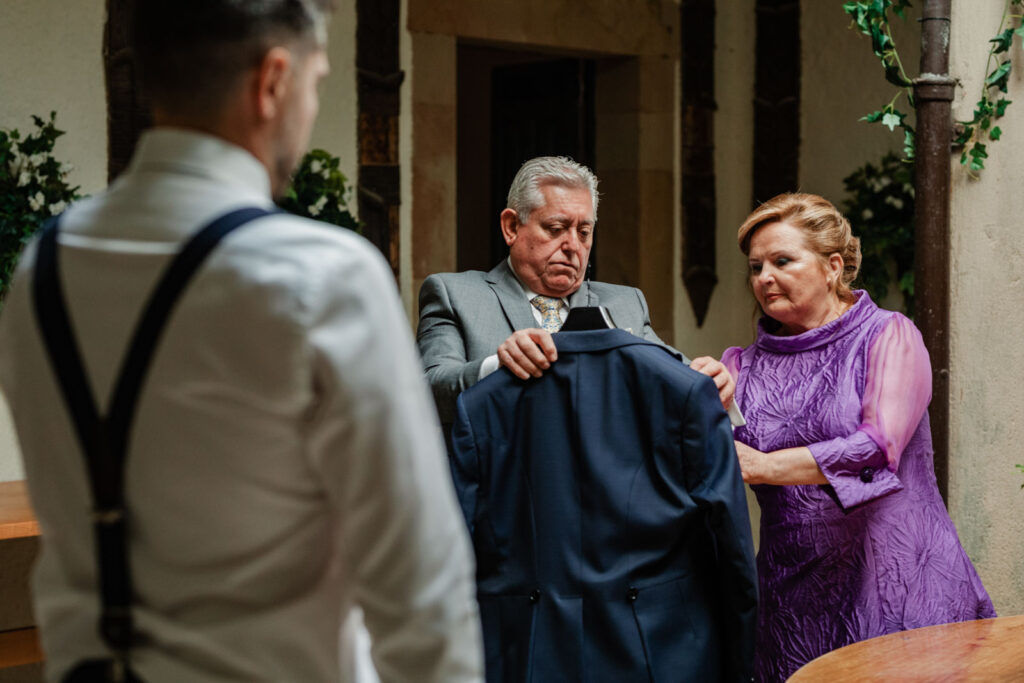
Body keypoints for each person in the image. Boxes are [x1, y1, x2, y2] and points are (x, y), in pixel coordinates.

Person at [0, 2, 482, 681]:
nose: (310, 109)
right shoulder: (323, 279)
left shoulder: (41, 270)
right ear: (273, 82)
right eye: (316, 84)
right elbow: (421, 595)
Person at [721, 192, 995, 682]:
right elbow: (692, 464)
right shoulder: (739, 366)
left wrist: (763, 466)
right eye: (756, 266)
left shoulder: (889, 335)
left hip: (898, 588)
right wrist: (691, 393)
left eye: (782, 260)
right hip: (792, 604)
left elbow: (876, 450)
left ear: (832, 266)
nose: (764, 277)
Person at [451, 326, 758, 682]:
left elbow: (455, 547)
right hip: (662, 648)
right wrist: (738, 659)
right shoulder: (685, 390)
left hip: (528, 647)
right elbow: (732, 540)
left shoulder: (480, 404)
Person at [417, 156, 734, 439]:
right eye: (556, 228)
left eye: (584, 232)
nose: (573, 246)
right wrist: (497, 365)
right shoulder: (454, 294)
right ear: (511, 226)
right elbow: (429, 389)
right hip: (498, 493)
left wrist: (710, 383)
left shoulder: (625, 305)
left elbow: (673, 380)